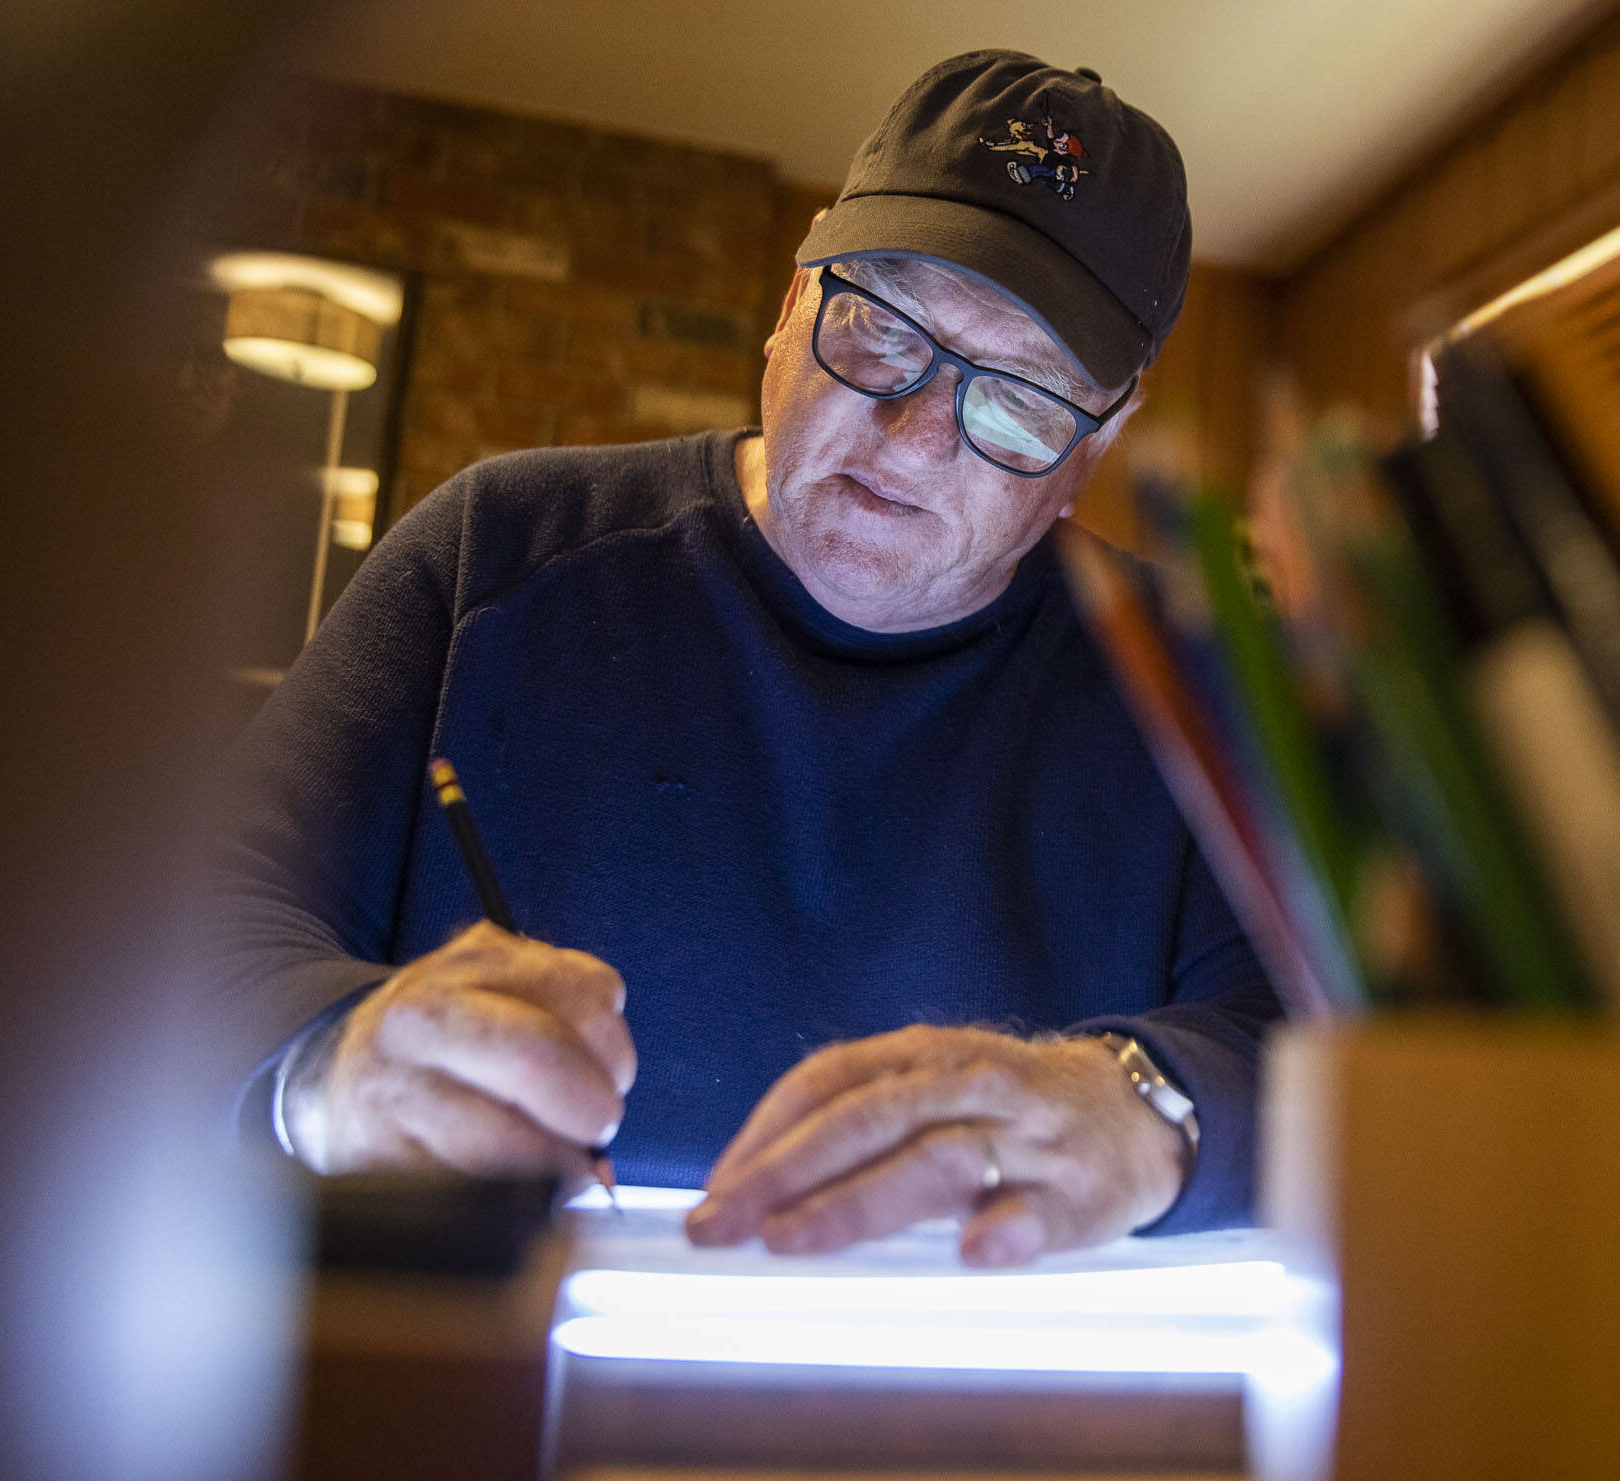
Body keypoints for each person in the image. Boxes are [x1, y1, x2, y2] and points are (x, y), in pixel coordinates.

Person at [213, 49, 1283, 1267]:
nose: (915, 434)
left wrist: (1152, 1107)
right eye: (881, 331)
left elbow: (1332, 1057)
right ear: (790, 304)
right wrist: (327, 1069)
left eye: (1021, 399)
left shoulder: (1192, 679)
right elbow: (190, 932)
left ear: (1098, 443)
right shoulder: (492, 554)